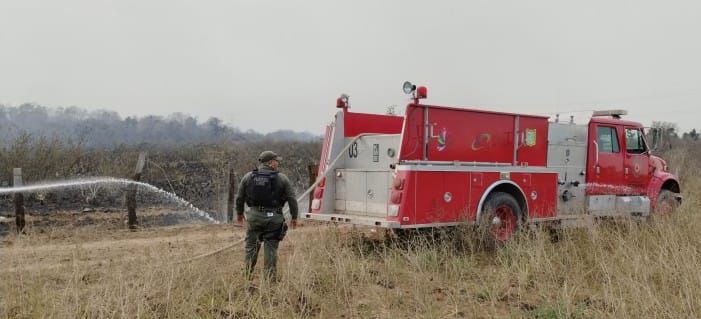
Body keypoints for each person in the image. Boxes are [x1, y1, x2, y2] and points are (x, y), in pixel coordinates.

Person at [235, 150, 298, 281]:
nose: (278, 163)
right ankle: (269, 281)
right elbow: (292, 199)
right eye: (276, 161)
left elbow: (239, 198)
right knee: (271, 249)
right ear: (270, 163)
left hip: (254, 218)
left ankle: (246, 277)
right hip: (274, 219)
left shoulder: (248, 177)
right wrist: (294, 217)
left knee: (251, 248)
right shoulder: (282, 178)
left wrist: (240, 214)